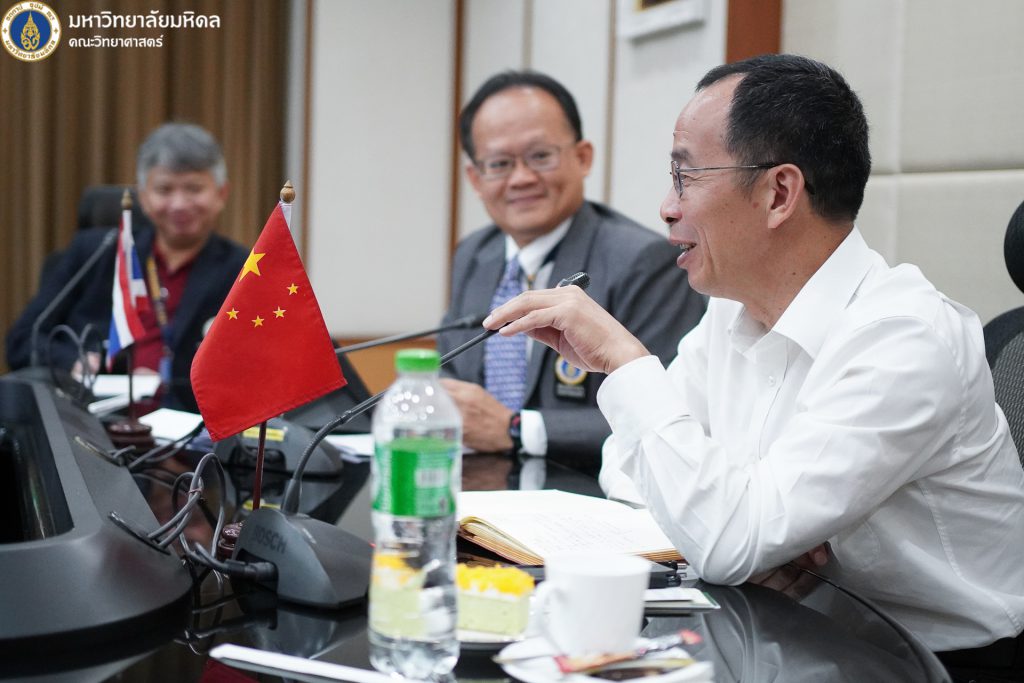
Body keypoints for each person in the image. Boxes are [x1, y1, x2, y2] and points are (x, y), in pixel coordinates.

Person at [483, 54, 1024, 674]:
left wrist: (625, 362)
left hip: (941, 663)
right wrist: (739, 525)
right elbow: (627, 470)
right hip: (790, 635)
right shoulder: (732, 309)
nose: (666, 207)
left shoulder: (903, 337)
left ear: (779, 193)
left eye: (686, 177)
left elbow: (727, 538)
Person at [437, 70, 705, 477]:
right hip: (478, 489)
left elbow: (668, 412)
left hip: (588, 493)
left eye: (540, 156)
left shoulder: (643, 261)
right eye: (500, 164)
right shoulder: (474, 254)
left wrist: (516, 429)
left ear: (583, 158)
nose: (521, 178)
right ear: (475, 178)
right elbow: (450, 378)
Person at [6, 123, 248, 412]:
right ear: (143, 197)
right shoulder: (98, 251)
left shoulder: (244, 270)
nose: (179, 204)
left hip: (191, 428)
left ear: (221, 194)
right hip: (93, 421)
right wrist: (74, 361)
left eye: (194, 189)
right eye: (164, 190)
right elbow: (23, 339)